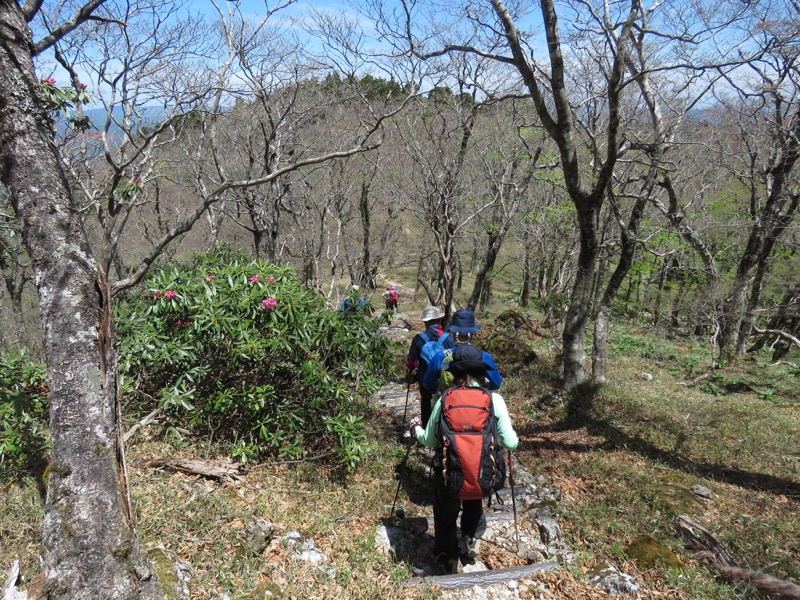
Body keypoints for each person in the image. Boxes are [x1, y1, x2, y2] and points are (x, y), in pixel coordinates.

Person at [411, 344, 519, 574]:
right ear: (482, 372)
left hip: (449, 472)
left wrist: (415, 429)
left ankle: (447, 557)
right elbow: (510, 443)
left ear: (456, 373)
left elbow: (429, 440)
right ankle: (471, 539)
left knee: (445, 511)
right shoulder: (494, 400)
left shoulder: (445, 399)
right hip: (482, 473)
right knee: (474, 491)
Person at [421, 308, 502, 392]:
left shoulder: (440, 356)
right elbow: (496, 384)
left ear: (452, 333)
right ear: (473, 333)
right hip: (478, 401)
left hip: (449, 401)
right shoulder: (484, 356)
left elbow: (427, 384)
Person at [405, 306, 456, 427]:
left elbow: (411, 362)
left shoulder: (419, 339)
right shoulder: (448, 338)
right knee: (445, 403)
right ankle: (444, 429)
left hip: (424, 379)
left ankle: (427, 429)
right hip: (445, 379)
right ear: (439, 320)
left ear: (425, 322)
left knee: (426, 402)